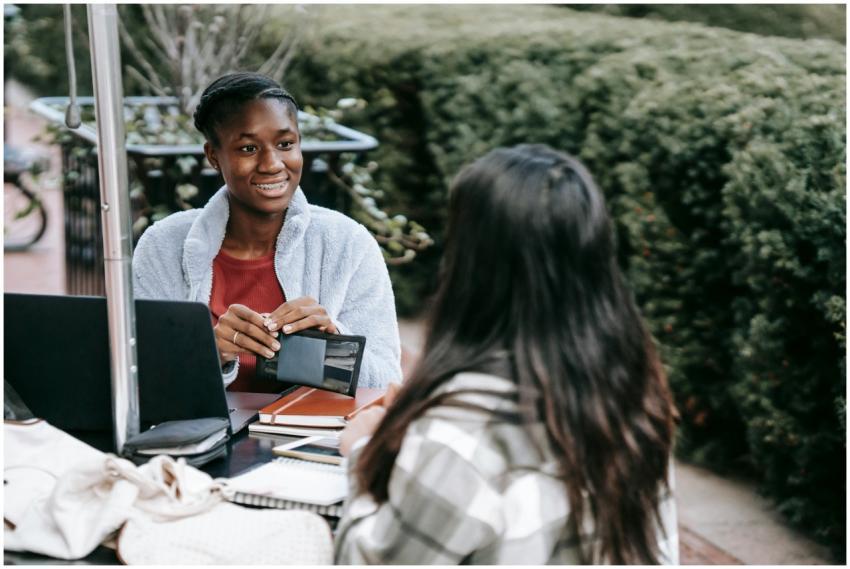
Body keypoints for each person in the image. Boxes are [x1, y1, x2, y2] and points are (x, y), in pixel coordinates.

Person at [335, 144, 678, 564]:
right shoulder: (631, 397)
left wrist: (363, 451)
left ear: (474, 266)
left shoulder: (460, 430)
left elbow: (371, 560)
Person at [132, 73, 401, 392]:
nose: (272, 163)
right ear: (214, 156)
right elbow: (140, 379)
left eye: (286, 144)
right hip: (202, 439)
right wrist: (211, 352)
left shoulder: (347, 244)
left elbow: (387, 383)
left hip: (314, 439)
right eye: (248, 148)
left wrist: (335, 343)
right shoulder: (163, 245)